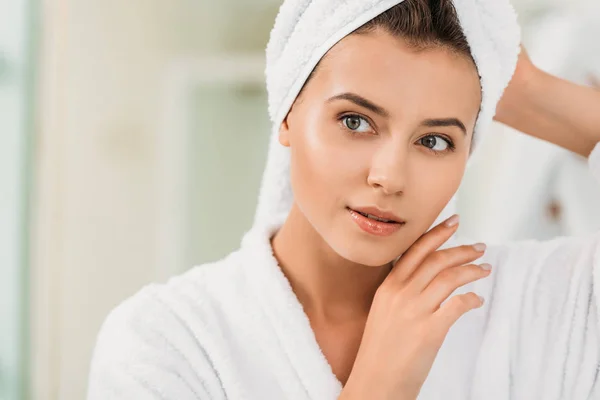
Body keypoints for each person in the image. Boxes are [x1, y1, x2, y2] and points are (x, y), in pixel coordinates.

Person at [87, 0, 600, 399]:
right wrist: (378, 387)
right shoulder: (166, 342)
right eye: (355, 122)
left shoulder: (540, 306)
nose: (389, 176)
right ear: (286, 113)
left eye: (434, 140)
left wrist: (531, 92)